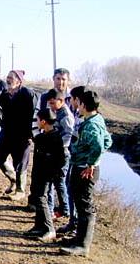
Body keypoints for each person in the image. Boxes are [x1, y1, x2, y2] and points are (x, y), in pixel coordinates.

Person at [60, 91, 112, 257]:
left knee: (85, 207)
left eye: (79, 103)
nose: (77, 106)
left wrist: (91, 164)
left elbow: (98, 145)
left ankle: (83, 245)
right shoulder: (97, 119)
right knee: (81, 203)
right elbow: (108, 141)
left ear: (83, 105)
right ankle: (78, 239)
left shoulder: (91, 125)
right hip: (82, 166)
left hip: (85, 169)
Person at [28, 68, 72, 211]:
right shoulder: (45, 96)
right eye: (58, 78)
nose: (61, 82)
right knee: (41, 177)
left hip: (64, 147)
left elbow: (72, 126)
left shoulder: (72, 97)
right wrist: (36, 136)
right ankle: (42, 205)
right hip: (44, 143)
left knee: (62, 180)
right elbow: (36, 117)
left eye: (63, 79)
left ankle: (65, 210)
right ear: (53, 79)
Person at [0, 70, 38, 200]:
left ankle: (20, 190)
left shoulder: (27, 94)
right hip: (7, 133)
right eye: (7, 77)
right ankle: (13, 179)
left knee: (20, 162)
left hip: (23, 135)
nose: (8, 80)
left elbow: (34, 114)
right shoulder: (5, 95)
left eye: (11, 78)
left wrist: (32, 134)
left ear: (19, 80)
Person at [25, 108, 66, 242]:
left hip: (45, 174)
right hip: (38, 173)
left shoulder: (54, 138)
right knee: (37, 198)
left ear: (43, 121)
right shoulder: (44, 136)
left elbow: (60, 160)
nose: (36, 122)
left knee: (42, 199)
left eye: (37, 120)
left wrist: (52, 173)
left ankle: (49, 229)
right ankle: (39, 226)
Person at [57, 85, 86, 236]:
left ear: (77, 99)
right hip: (73, 159)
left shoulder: (85, 119)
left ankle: (77, 228)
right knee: (70, 188)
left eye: (72, 99)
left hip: (82, 163)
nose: (70, 102)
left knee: (79, 195)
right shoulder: (77, 114)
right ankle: (72, 222)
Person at [45, 89, 75, 220]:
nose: (50, 106)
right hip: (55, 152)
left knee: (59, 183)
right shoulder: (57, 112)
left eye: (52, 103)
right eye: (49, 104)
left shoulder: (66, 115)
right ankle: (52, 209)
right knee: (53, 182)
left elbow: (69, 134)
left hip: (61, 153)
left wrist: (57, 147)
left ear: (61, 101)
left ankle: (65, 210)